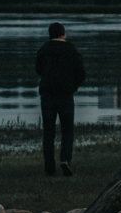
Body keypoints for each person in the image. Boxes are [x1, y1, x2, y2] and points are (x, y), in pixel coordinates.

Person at [34, 23, 86, 179]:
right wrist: (73, 86)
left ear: (50, 34)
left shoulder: (44, 49)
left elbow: (38, 69)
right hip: (65, 95)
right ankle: (65, 159)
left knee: (48, 133)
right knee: (67, 131)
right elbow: (81, 74)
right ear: (64, 33)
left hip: (48, 95)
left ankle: (50, 168)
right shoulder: (71, 50)